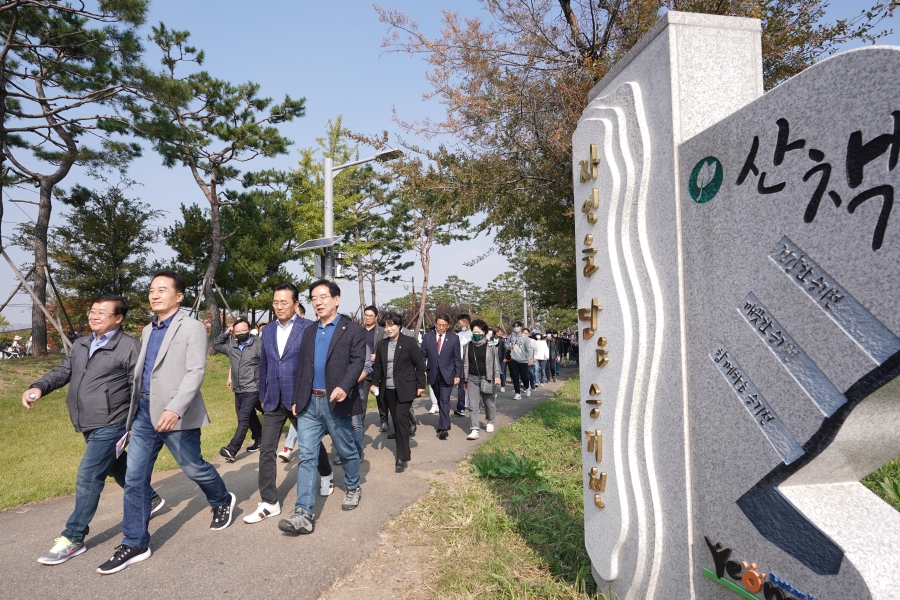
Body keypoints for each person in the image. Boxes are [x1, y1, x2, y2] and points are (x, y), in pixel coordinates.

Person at [98, 271, 235, 575]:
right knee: (134, 478)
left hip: (176, 413)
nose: (154, 294)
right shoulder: (148, 330)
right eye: (151, 290)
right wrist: (134, 413)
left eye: (162, 289)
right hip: (145, 412)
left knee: (192, 466)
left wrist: (174, 408)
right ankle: (135, 542)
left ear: (179, 296)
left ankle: (222, 498)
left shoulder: (193, 327)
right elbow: (142, 374)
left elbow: (195, 371)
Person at [23, 294, 163, 566]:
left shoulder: (130, 347)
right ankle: (152, 498)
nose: (94, 315)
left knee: (88, 476)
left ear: (118, 318)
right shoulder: (81, 344)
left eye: (102, 312)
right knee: (114, 465)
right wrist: (39, 386)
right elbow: (63, 371)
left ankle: (73, 537)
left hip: (112, 423)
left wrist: (138, 422)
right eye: (92, 310)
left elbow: (143, 387)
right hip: (87, 421)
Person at [278, 280, 366, 535]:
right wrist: (297, 397)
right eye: (314, 298)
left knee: (346, 448)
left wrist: (344, 386)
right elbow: (303, 368)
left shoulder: (353, 331)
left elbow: (357, 363)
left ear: (336, 299)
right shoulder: (308, 331)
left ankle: (352, 486)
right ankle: (303, 513)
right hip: (309, 402)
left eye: (323, 297)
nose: (318, 302)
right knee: (307, 455)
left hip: (335, 400)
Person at [245, 284, 333, 525]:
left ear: (296, 304)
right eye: (275, 302)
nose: (279, 306)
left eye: (284, 302)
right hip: (273, 399)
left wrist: (303, 396)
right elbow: (265, 364)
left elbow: (311, 366)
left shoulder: (309, 329)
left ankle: (326, 474)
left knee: (310, 444)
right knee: (266, 450)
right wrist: (262, 394)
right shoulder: (269, 330)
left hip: (299, 398)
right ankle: (269, 502)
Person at [369, 311, 426, 471]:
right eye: (386, 326)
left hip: (406, 388)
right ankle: (404, 447)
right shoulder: (382, 344)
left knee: (401, 418)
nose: (389, 329)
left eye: (392, 325)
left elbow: (419, 365)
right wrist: (374, 384)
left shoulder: (408, 342)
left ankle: (402, 456)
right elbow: (378, 367)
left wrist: (421, 385)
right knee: (397, 420)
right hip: (388, 390)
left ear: (399, 325)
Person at [213, 317, 262, 462]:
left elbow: (267, 365)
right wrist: (226, 333)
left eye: (244, 330)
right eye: (238, 331)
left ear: (249, 330)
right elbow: (216, 345)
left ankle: (232, 449)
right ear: (234, 332)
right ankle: (260, 438)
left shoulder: (258, 345)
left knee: (243, 418)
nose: (241, 333)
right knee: (250, 415)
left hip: (253, 387)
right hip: (238, 388)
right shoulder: (231, 346)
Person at [420, 313, 462, 439]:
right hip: (433, 373)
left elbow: (457, 358)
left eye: (444, 325)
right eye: (439, 325)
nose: (441, 328)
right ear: (435, 324)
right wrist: (423, 369)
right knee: (439, 399)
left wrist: (457, 374)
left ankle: (443, 428)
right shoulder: (427, 337)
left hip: (448, 374)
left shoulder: (454, 338)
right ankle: (446, 421)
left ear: (448, 326)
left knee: (444, 399)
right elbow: (422, 355)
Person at [463, 320, 502, 439]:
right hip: (472, 378)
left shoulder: (490, 346)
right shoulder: (467, 346)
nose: (476, 334)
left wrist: (497, 376)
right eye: (474, 331)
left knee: (489, 403)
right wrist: (464, 380)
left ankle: (490, 421)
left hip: (487, 378)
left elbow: (495, 362)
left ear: (484, 332)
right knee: (473, 405)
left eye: (478, 332)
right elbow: (464, 363)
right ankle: (474, 429)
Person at [361, 305, 389, 433]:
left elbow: (388, 347)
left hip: (378, 369)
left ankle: (384, 421)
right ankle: (359, 424)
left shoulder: (382, 331)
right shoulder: (359, 331)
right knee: (362, 398)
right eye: (365, 315)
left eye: (370, 315)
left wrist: (378, 356)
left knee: (381, 397)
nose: (367, 318)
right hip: (364, 371)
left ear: (376, 317)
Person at [506, 321, 534, 400]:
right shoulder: (511, 336)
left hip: (523, 360)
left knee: (524, 377)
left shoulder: (525, 338)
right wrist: (508, 347)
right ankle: (517, 393)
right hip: (513, 359)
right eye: (514, 326)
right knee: (515, 377)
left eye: (517, 326)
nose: (516, 328)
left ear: (521, 327)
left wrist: (530, 358)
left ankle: (527, 387)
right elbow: (506, 344)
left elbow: (529, 349)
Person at [454, 314, 472, 417]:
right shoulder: (459, 335)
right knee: (461, 385)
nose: (459, 324)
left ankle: (474, 406)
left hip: (471, 362)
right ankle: (461, 408)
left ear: (465, 322)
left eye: (460, 322)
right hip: (460, 362)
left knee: (473, 384)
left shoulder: (473, 334)